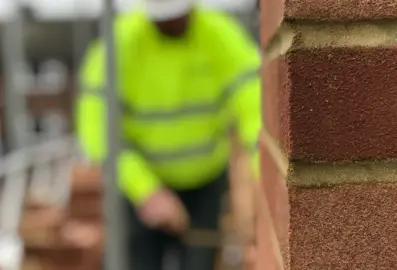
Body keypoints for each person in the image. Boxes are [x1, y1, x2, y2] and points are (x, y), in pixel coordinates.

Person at [75, 0, 261, 269]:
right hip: (140, 188)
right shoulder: (120, 45)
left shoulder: (220, 37)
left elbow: (254, 109)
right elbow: (97, 133)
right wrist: (145, 190)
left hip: (204, 185)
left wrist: (264, 177)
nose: (172, 25)